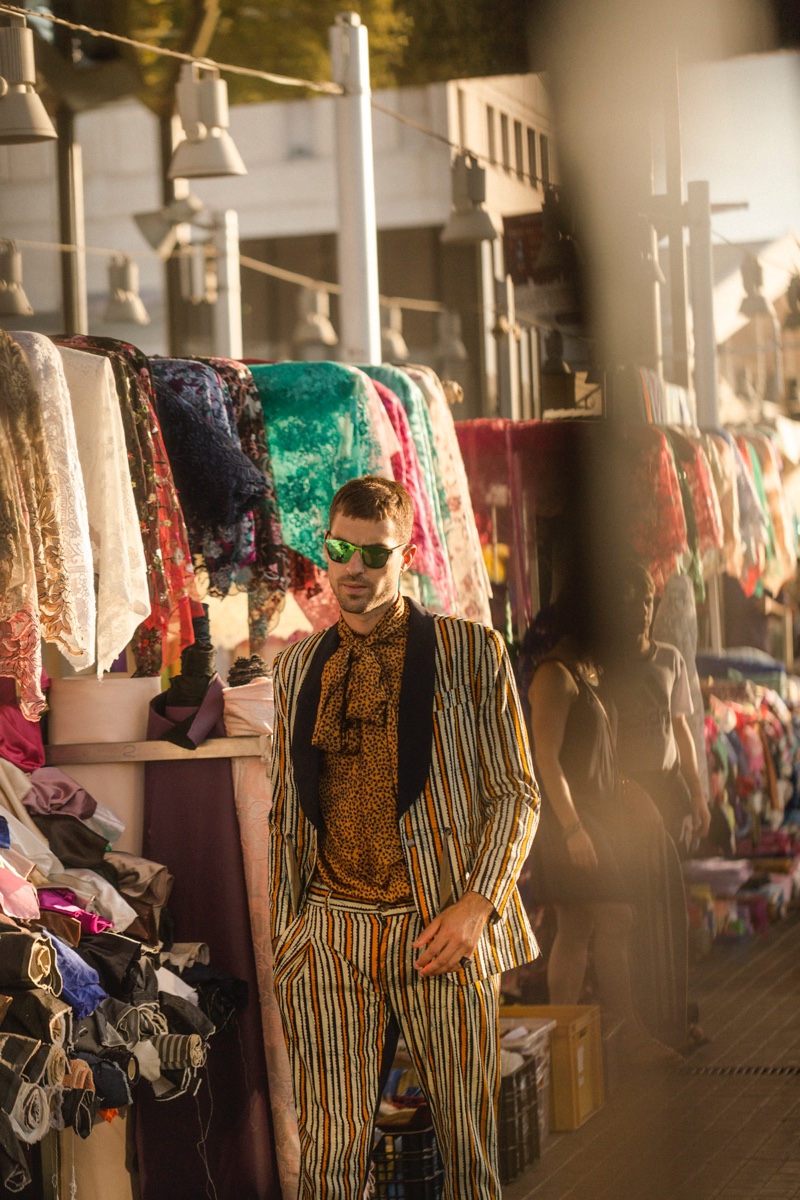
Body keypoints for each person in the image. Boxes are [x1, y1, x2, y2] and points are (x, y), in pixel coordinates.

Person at [268, 475, 539, 1200]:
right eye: (339, 550)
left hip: (438, 927)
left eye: (373, 554)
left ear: (407, 555)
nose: (353, 567)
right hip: (330, 932)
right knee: (328, 1158)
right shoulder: (296, 666)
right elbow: (283, 812)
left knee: (468, 1153)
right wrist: (288, 935)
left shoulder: (471, 653)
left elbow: (517, 793)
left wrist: (479, 903)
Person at [527, 585, 686, 1058]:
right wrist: (574, 827)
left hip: (594, 815)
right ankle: (625, 1030)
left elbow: (599, 754)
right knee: (617, 916)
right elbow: (546, 759)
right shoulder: (555, 675)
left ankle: (567, 1037)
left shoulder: (587, 671)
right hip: (571, 821)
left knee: (577, 926)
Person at [602, 561, 711, 851]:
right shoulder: (604, 667)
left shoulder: (670, 660)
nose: (642, 610)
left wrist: (697, 793)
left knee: (674, 878)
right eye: (631, 601)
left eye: (647, 601)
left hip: (668, 786)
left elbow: (679, 726)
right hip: (627, 792)